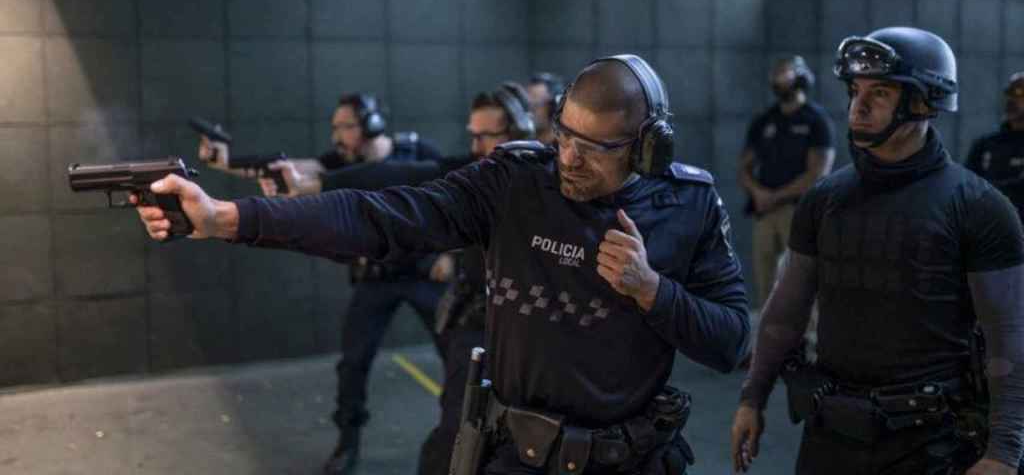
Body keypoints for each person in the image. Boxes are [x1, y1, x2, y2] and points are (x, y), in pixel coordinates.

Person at [134, 54, 750, 474]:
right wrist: (227, 219)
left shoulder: (687, 203)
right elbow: (379, 215)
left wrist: (651, 291)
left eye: (595, 149)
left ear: (648, 145)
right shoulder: (514, 182)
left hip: (632, 462)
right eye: (564, 136)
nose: (569, 159)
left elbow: (729, 342)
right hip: (518, 458)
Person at [731, 27, 1024, 475]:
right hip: (830, 439)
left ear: (924, 103)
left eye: (880, 92)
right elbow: (785, 311)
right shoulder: (824, 199)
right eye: (855, 90)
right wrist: (752, 398)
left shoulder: (981, 208)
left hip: (932, 444)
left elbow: (1007, 335)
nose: (858, 106)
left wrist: (1003, 450)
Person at [270, 82, 537, 475]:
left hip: (491, 307)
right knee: (357, 363)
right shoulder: (472, 170)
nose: (477, 145)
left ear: (516, 134)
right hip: (401, 285)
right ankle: (350, 440)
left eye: (486, 136)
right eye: (473, 136)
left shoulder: (543, 179)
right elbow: (395, 177)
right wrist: (313, 185)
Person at [256, 94, 448, 475]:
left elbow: (456, 204)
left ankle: (466, 440)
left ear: (372, 124)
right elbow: (292, 169)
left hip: (422, 273)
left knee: (459, 357)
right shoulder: (344, 163)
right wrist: (225, 160)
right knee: (353, 363)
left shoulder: (417, 152)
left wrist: (452, 254)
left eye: (346, 125)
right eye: (335, 127)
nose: (338, 135)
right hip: (376, 276)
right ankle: (348, 441)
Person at [738, 56, 835, 307]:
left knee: (803, 280)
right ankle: (769, 342)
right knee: (766, 282)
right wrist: (758, 194)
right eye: (776, 73)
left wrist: (775, 196)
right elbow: (744, 167)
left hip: (798, 212)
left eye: (785, 73)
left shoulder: (816, 120)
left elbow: (818, 174)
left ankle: (811, 342)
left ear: (800, 77)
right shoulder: (764, 120)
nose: (777, 79)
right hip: (765, 213)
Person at [966, 72, 1024, 220]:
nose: (1012, 100)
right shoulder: (986, 144)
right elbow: (967, 187)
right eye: (1010, 94)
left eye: (1020, 94)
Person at [526, 72, 564, 146]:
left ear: (553, 107)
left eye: (535, 105)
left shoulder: (564, 151)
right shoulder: (525, 148)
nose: (529, 112)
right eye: (528, 105)